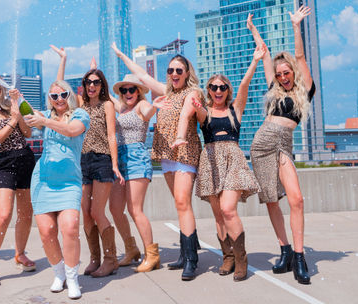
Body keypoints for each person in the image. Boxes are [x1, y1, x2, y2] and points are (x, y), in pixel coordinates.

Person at [112, 42, 203, 281]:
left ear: (187, 73)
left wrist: (181, 136)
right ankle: (185, 253)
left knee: (183, 203)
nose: (174, 74)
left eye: (178, 71)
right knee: (179, 204)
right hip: (165, 153)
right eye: (170, 71)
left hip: (184, 151)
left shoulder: (192, 93)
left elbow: (185, 115)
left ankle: (191, 258)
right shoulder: (165, 91)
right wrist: (122, 54)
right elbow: (141, 75)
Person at [176, 45, 264, 281]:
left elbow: (244, 85)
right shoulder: (204, 111)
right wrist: (193, 109)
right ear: (209, 90)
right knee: (218, 215)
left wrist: (255, 60)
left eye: (222, 87)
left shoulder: (235, 110)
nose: (217, 90)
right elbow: (195, 113)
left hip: (233, 160)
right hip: (210, 161)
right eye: (213, 87)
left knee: (228, 209)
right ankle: (228, 257)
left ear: (227, 90)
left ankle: (241, 258)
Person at [247, 7, 316, 285]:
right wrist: (252, 30)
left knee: (296, 200)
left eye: (287, 73)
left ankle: (299, 257)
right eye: (279, 74)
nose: (283, 77)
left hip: (283, 145)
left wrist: (296, 26)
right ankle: (285, 251)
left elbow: (299, 56)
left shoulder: (304, 89)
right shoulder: (273, 89)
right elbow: (263, 50)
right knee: (272, 201)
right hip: (262, 145)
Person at [50, 45, 123, 278]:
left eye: (96, 82)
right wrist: (64, 59)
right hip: (81, 161)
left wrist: (114, 165)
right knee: (85, 211)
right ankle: (95, 258)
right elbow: (58, 89)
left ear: (102, 85)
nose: (92, 86)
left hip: (102, 160)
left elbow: (112, 135)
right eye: (88, 82)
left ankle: (111, 260)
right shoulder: (79, 104)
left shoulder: (107, 105)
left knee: (97, 211)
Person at [23, 80, 90, 300]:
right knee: (46, 232)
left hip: (70, 181)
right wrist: (17, 99)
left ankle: (72, 277)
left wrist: (45, 121)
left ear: (69, 95)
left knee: (70, 228)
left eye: (63, 94)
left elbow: (71, 131)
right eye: (54, 96)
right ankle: (59, 273)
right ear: (49, 99)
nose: (59, 99)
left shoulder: (80, 115)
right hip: (43, 180)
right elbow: (27, 115)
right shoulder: (45, 115)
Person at [0, 75, 36, 286]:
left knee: (26, 213)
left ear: (1, 90)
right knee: (3, 215)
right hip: (4, 163)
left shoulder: (11, 107)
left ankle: (19, 254)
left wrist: (16, 110)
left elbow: (27, 133)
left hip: (25, 160)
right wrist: (13, 118)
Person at [110, 74, 161, 272]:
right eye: (124, 90)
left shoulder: (141, 105)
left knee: (135, 209)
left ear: (138, 91)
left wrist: (155, 105)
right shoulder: (122, 108)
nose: (128, 93)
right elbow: (108, 97)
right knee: (115, 208)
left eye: (132, 89)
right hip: (119, 159)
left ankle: (152, 255)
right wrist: (95, 71)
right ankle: (131, 249)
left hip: (136, 157)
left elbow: (148, 113)